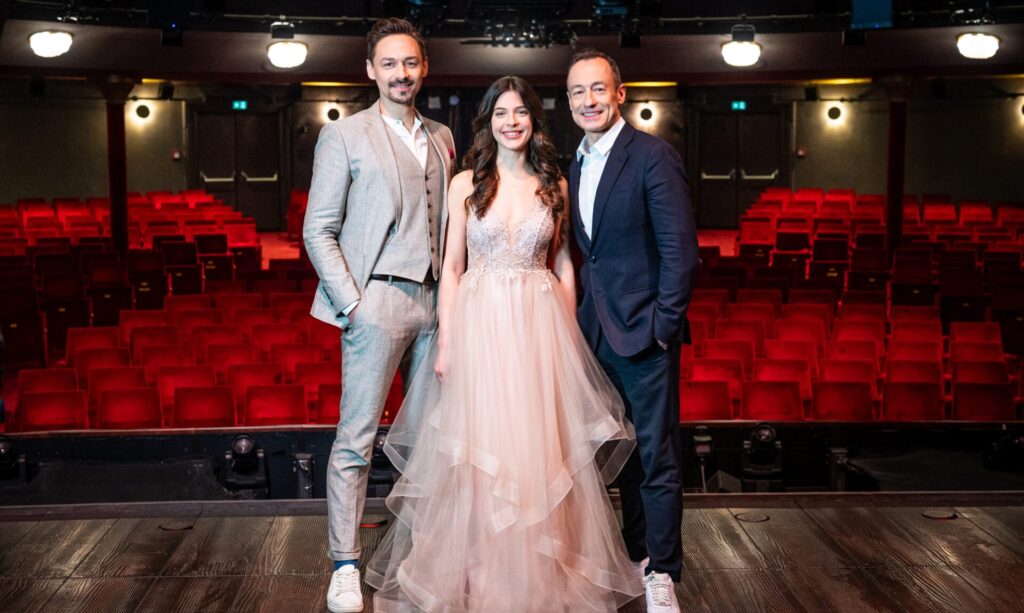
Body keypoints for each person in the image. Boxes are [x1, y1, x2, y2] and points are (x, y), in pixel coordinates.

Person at [365, 75, 642, 612]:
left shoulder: (554, 184)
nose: (511, 122)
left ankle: (541, 578)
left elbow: (564, 265)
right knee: (481, 451)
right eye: (500, 114)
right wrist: (448, 343)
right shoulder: (464, 184)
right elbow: (451, 268)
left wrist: (569, 343)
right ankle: (481, 575)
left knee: (539, 449)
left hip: (539, 330)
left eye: (520, 113)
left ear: (534, 121)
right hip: (481, 328)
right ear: (488, 122)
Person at [302, 17, 456, 613]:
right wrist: (354, 303)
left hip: (436, 304)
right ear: (370, 70)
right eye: (389, 63)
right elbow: (318, 230)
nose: (401, 73)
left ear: (424, 68)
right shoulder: (344, 135)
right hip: (378, 300)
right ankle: (345, 564)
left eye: (410, 62)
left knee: (428, 442)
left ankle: (416, 560)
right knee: (357, 439)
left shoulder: (442, 136)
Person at [566, 49, 700, 613]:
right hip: (594, 336)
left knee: (657, 456)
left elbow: (681, 254)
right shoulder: (575, 162)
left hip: (645, 335)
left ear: (619, 94)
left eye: (598, 89)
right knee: (620, 456)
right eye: (578, 92)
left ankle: (663, 570)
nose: (588, 100)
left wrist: (663, 328)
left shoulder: (652, 155)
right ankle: (635, 553)